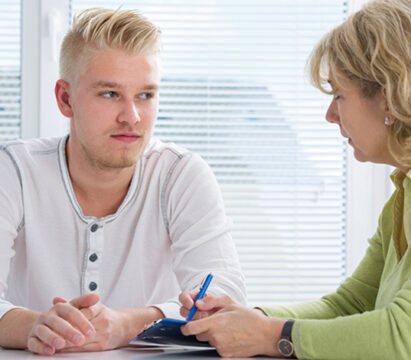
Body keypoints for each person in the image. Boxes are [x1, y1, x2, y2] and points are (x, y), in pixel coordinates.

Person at [179, 0, 411, 359]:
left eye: (339, 94)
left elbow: (409, 338)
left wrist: (271, 336)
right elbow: (351, 304)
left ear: (388, 95)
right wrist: (247, 320)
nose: (330, 115)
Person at [0, 7, 246, 356]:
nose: (131, 117)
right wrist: (34, 326)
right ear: (65, 99)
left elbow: (226, 296)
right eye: (110, 94)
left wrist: (127, 324)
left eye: (145, 95)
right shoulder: (14, 171)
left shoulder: (181, 174)